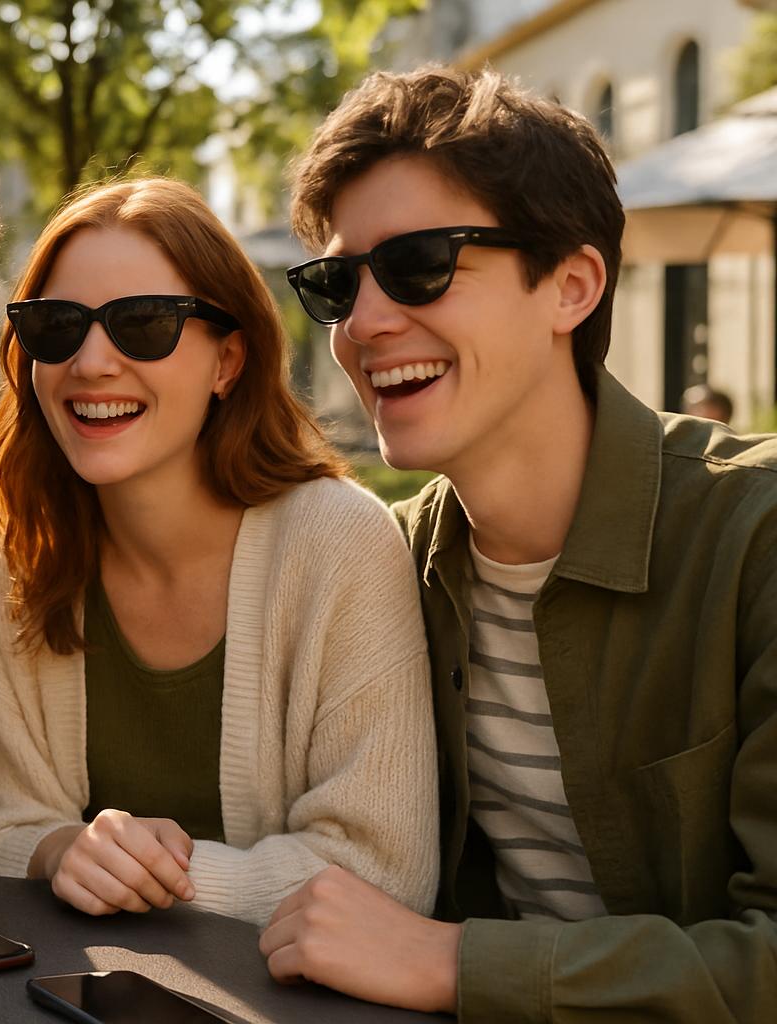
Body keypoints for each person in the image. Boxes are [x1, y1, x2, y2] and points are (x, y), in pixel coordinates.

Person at [268, 65, 777, 1020]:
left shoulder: (758, 539)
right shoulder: (387, 564)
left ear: (573, 287)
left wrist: (453, 965)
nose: (366, 324)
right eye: (339, 284)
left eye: (421, 264)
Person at [0, 176, 438, 927]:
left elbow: (379, 873)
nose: (90, 364)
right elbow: (4, 827)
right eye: (56, 325)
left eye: (142, 323)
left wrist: (149, 878)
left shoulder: (341, 545)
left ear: (227, 362)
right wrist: (62, 853)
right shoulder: (8, 569)